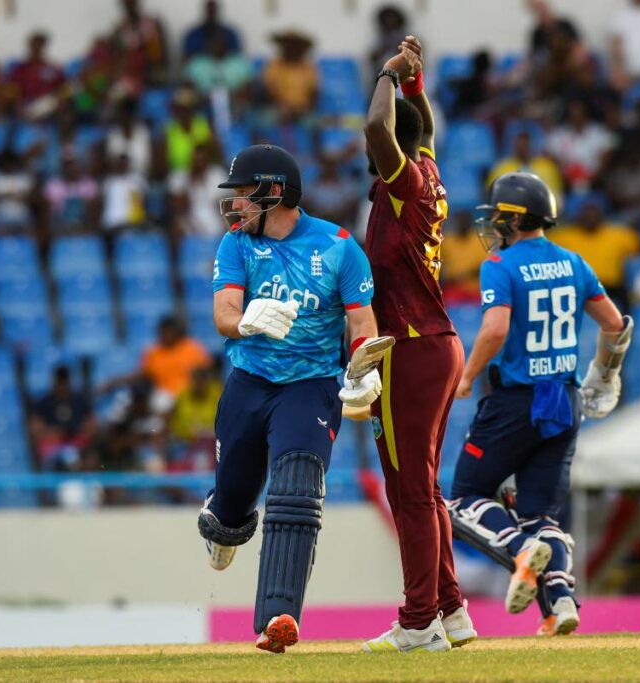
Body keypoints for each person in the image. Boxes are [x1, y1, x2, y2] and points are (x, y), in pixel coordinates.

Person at [198, 144, 385, 654]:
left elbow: (362, 324)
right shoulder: (236, 244)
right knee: (232, 506)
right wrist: (247, 321)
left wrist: (364, 368)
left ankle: (277, 616)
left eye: (242, 195)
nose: (235, 205)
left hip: (311, 385)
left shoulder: (340, 246)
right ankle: (224, 521)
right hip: (250, 380)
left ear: (273, 192)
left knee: (297, 488)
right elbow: (223, 314)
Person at [447, 172, 631, 636]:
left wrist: (466, 378)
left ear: (513, 218)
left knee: (465, 497)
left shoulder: (501, 265)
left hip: (516, 400)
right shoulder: (573, 261)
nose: (491, 226)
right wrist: (604, 374)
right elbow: (614, 324)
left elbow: (494, 330)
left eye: (497, 217)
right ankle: (561, 603)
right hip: (565, 399)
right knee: (541, 516)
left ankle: (517, 549)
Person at [361, 35, 477, 653]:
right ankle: (451, 611)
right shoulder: (427, 171)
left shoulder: (403, 182)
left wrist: (386, 72)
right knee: (424, 487)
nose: (367, 148)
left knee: (409, 490)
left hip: (410, 348)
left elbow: (379, 126)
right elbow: (413, 124)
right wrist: (415, 82)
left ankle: (417, 622)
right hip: (435, 342)